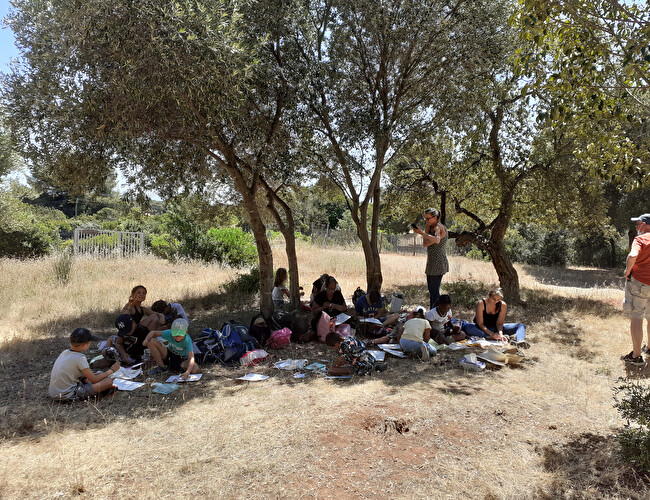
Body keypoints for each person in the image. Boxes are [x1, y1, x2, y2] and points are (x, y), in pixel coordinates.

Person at [49, 327, 120, 401]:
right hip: (68, 395)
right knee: (108, 381)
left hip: (54, 393)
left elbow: (82, 375)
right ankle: (97, 394)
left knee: (91, 377)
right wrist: (111, 370)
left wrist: (96, 374)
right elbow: (94, 380)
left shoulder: (64, 353)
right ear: (84, 345)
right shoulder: (80, 358)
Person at [622, 213, 650, 365]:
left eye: (638, 223)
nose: (637, 226)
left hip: (640, 283)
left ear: (645, 225)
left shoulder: (640, 239)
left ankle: (636, 356)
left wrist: (627, 271)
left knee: (637, 316)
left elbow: (633, 255)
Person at [412, 208, 448, 309]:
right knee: (431, 290)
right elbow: (425, 244)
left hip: (439, 262)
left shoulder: (439, 227)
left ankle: (436, 312)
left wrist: (422, 233)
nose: (426, 221)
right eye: (425, 218)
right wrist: (435, 239)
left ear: (435, 218)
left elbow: (436, 240)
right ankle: (434, 311)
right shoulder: (428, 227)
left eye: (428, 218)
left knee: (434, 290)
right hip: (431, 262)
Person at [461, 288, 526, 343]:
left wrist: (500, 334)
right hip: (481, 328)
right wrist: (492, 334)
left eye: (498, 300)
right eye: (493, 299)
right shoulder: (481, 303)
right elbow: (480, 324)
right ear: (489, 295)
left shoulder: (502, 305)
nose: (496, 301)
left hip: (496, 328)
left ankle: (520, 341)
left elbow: (499, 323)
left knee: (520, 326)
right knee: (467, 327)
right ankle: (489, 337)